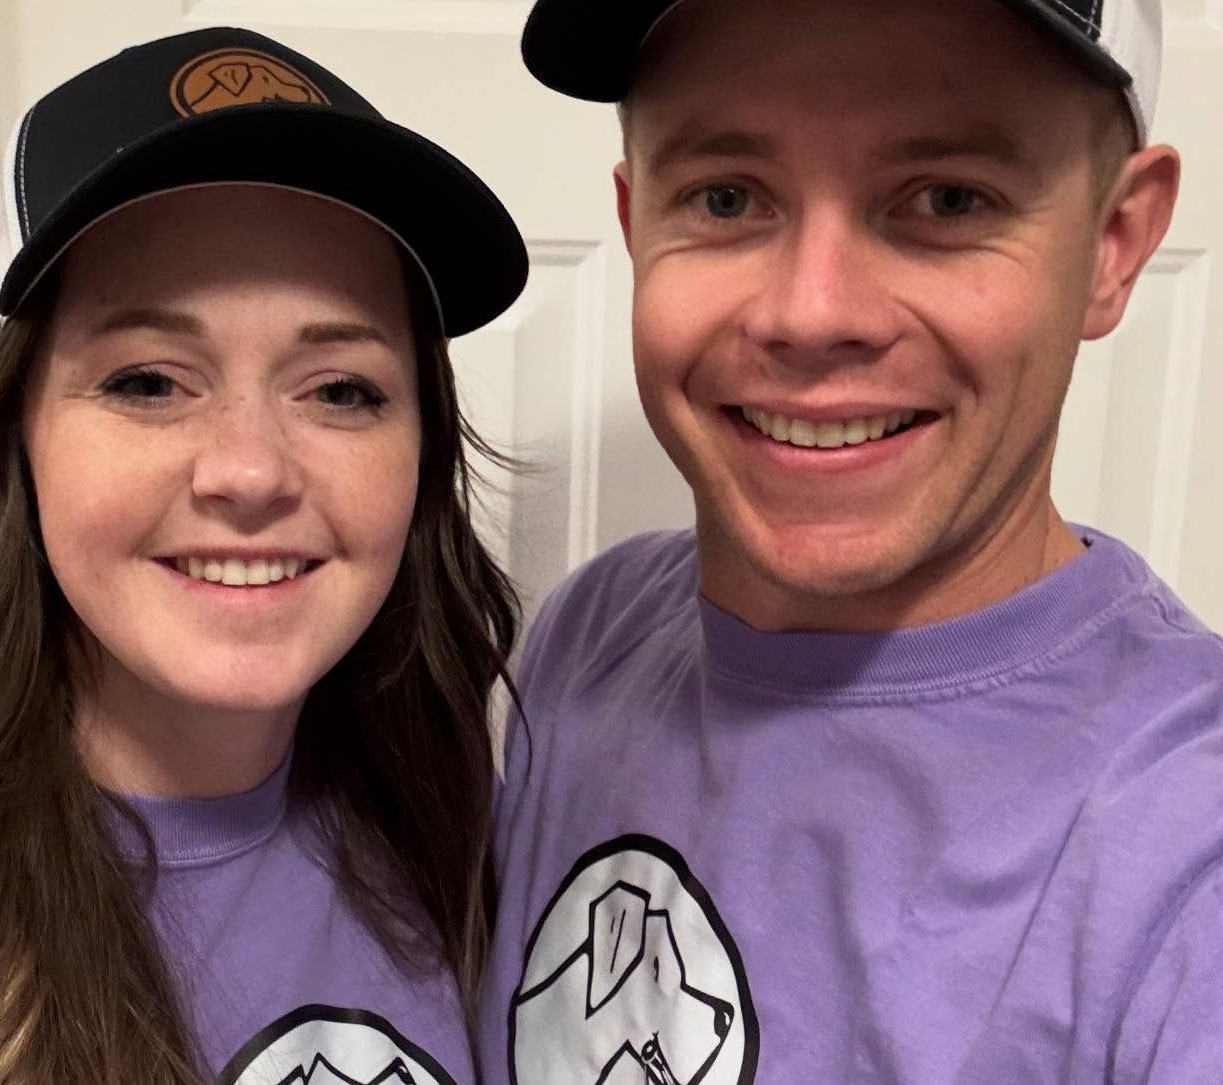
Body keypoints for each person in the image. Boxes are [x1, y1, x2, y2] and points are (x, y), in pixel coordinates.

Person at [480, 0, 1223, 1081]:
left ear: (1114, 244)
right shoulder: (590, 637)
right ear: (639, 224)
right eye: (727, 197)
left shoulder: (1184, 845)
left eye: (947, 199)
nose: (811, 312)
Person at [0, 26, 526, 1085]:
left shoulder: (451, 823)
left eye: (342, 389)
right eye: (147, 380)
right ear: (17, 435)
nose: (249, 470)